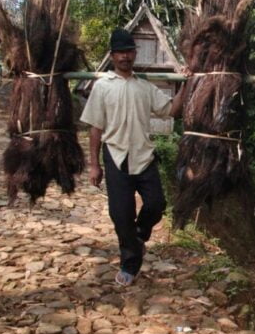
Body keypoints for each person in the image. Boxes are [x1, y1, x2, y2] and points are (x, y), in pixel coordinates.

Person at [80, 28, 187, 286]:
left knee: (156, 204)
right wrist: (94, 165)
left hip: (144, 155)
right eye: (120, 52)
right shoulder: (102, 87)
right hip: (115, 155)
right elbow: (95, 128)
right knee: (120, 214)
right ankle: (130, 263)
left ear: (134, 53)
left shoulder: (145, 87)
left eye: (129, 51)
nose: (125, 57)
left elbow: (171, 110)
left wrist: (186, 84)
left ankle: (139, 234)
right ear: (113, 55)